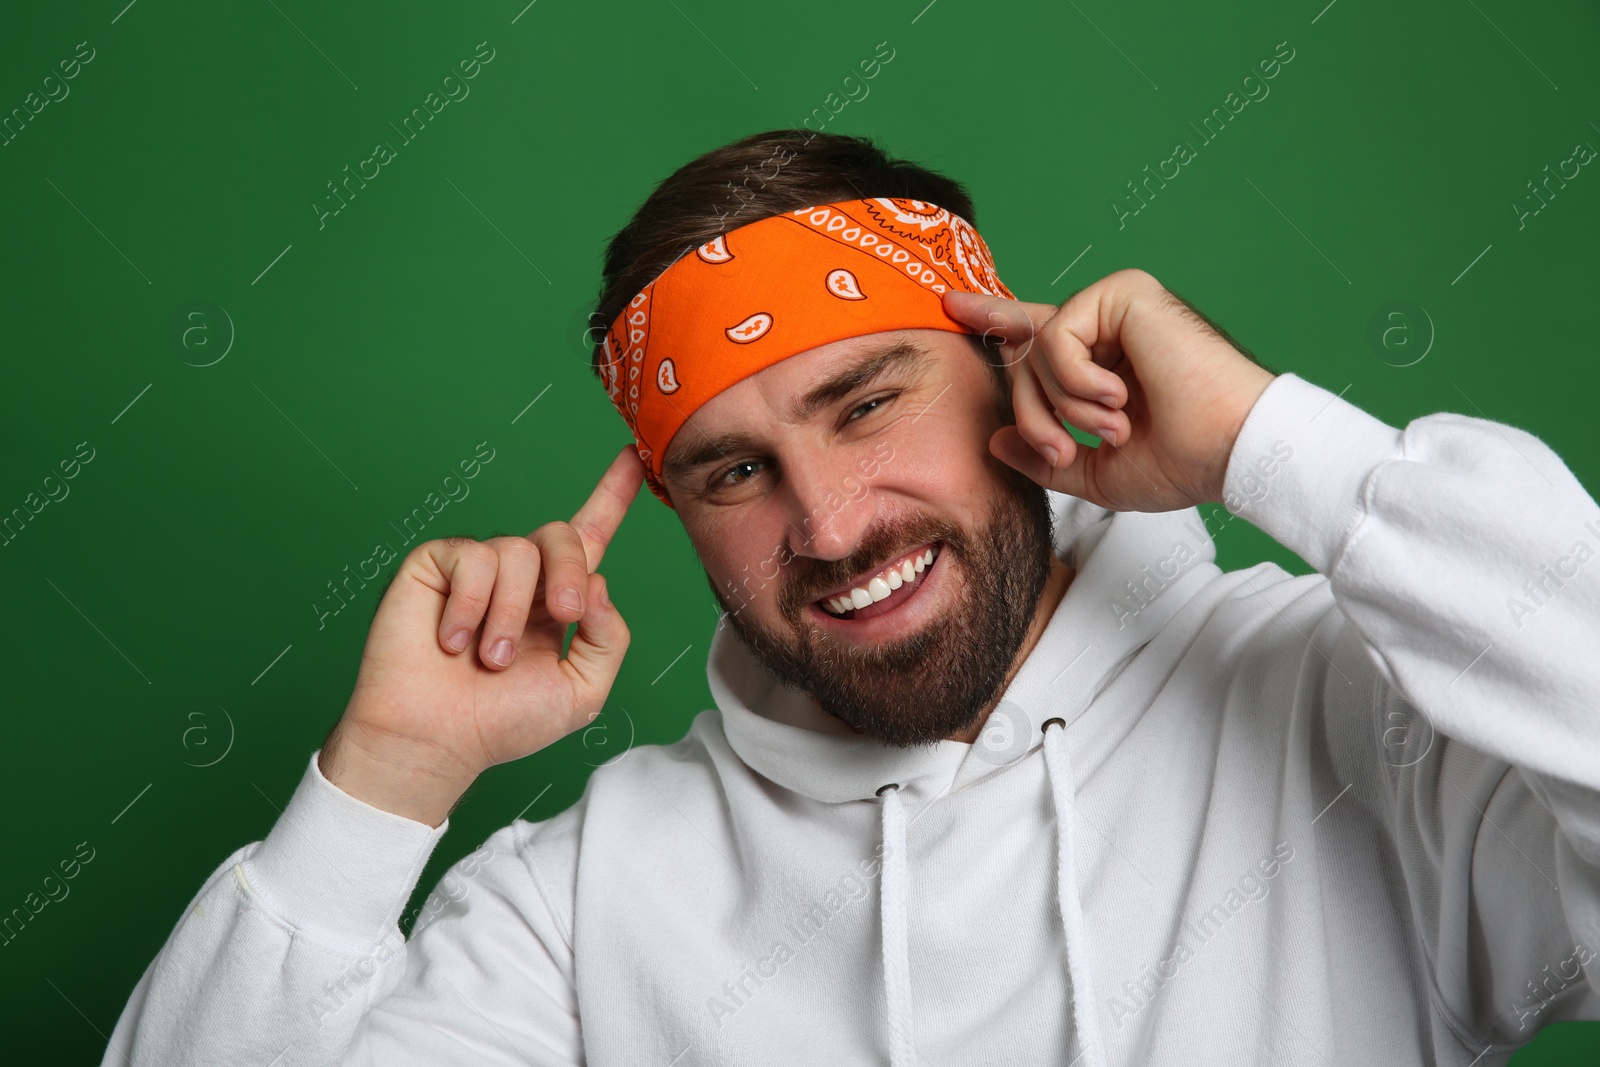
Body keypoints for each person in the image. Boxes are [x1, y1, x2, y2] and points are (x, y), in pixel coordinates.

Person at [102, 129, 1600, 1066]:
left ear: (1016, 372)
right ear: (676, 516)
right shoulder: (575, 906)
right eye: (735, 473)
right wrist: (385, 787)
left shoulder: (1357, 718)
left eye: (868, 401)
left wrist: (1279, 446)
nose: (827, 524)